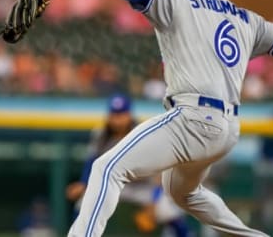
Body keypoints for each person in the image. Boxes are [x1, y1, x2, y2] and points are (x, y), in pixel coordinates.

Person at [32, 0, 273, 237]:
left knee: (107, 168)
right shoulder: (247, 20)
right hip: (226, 130)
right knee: (183, 193)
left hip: (192, 118)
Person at [66, 93, 192, 236]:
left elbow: (161, 174)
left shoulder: (143, 134)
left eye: (121, 115)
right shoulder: (101, 134)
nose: (117, 120)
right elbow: (91, 162)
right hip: (113, 184)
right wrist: (84, 184)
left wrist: (154, 202)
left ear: (129, 114)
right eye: (114, 115)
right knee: (83, 203)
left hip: (142, 187)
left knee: (168, 210)